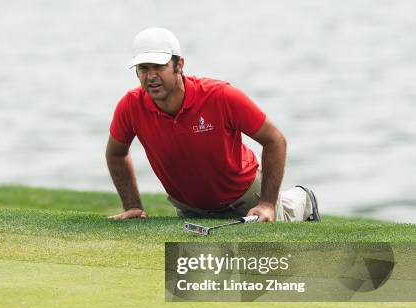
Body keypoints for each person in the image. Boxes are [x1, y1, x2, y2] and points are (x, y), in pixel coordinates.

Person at [106, 27, 320, 223]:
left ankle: (303, 199)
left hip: (245, 199)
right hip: (189, 209)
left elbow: (275, 140)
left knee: (266, 244)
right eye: (143, 68)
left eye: (159, 67)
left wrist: (266, 204)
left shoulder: (221, 96)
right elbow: (116, 154)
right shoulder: (130, 106)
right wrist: (132, 205)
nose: (151, 76)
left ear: (179, 65)